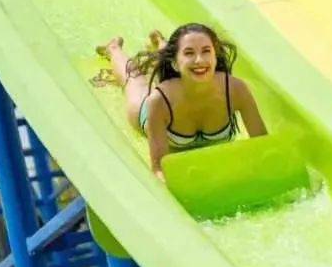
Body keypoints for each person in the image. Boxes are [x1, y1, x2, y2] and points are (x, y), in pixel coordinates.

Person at [97, 23, 267, 179]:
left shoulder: (236, 90)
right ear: (176, 64)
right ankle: (113, 48)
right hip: (148, 111)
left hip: (176, 75)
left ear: (216, 57)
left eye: (206, 51)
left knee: (177, 62)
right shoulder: (158, 101)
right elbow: (159, 168)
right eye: (189, 53)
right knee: (133, 77)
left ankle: (161, 44)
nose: (200, 60)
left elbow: (262, 144)